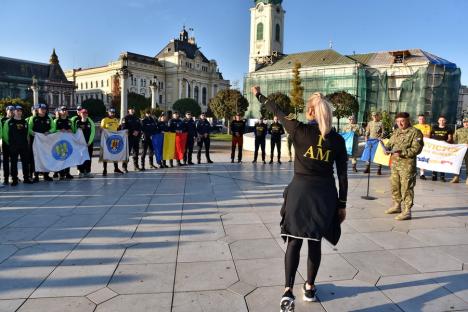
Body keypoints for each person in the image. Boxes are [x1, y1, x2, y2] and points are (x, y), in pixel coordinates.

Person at [252, 86, 347, 311]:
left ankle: (287, 291)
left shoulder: (298, 130)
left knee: (294, 241)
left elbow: (278, 111)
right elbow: (342, 176)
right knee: (314, 242)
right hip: (324, 195)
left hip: (299, 193)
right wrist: (341, 204)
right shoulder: (338, 140)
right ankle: (310, 287)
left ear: (311, 112)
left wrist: (258, 94)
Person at [384, 112, 424, 220]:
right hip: (395, 164)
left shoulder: (415, 132)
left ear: (408, 120)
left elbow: (417, 149)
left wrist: (402, 153)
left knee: (406, 188)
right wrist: (386, 149)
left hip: (407, 165)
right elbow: (390, 144)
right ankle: (397, 206)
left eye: (402, 121)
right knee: (395, 186)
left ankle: (407, 211)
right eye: (397, 121)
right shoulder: (396, 131)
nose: (400, 123)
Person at [3, 106, 33, 186]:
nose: (19, 112)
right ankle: (14, 179)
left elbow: (27, 134)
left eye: (20, 111)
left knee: (25, 163)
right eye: (17, 110)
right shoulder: (9, 122)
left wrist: (27, 143)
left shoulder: (25, 122)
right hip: (13, 146)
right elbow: (5, 134)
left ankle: (26, 178)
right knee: (13, 163)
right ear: (14, 112)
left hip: (24, 146)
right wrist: (10, 144)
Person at [28, 103, 54, 182]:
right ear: (38, 110)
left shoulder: (49, 118)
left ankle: (46, 175)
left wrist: (49, 132)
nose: (43, 110)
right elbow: (29, 128)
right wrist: (33, 133)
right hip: (36, 141)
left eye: (44, 109)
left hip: (46, 142)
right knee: (36, 158)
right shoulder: (33, 118)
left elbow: (53, 127)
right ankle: (36, 175)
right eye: (41, 109)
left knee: (46, 157)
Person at [52, 106, 74, 180]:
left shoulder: (69, 121)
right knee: (60, 157)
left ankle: (67, 173)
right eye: (63, 110)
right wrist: (60, 131)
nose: (64, 111)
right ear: (60, 112)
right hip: (58, 142)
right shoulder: (56, 121)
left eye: (65, 110)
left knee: (67, 157)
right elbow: (53, 130)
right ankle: (60, 173)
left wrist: (70, 131)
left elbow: (73, 131)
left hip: (67, 142)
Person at [100, 108, 124, 176]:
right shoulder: (104, 120)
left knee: (115, 153)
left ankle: (116, 168)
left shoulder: (116, 120)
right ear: (108, 113)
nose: (113, 114)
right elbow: (101, 129)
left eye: (113, 113)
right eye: (111, 112)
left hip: (114, 139)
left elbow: (118, 129)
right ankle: (105, 169)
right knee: (106, 154)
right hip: (107, 140)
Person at [73, 109, 95, 178]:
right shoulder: (77, 122)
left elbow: (93, 132)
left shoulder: (90, 122)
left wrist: (89, 142)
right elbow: (74, 132)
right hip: (80, 144)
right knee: (80, 157)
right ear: (80, 114)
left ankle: (87, 171)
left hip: (88, 143)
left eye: (85, 113)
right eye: (83, 113)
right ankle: (81, 171)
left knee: (88, 158)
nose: (84, 114)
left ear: (87, 114)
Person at [430, 116, 453, 182]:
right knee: (435, 161)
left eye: (443, 120)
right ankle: (434, 175)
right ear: (438, 121)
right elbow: (430, 136)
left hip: (443, 148)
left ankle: (442, 176)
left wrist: (446, 142)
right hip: (435, 148)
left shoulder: (448, 129)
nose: (442, 121)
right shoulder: (434, 127)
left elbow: (450, 138)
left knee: (442, 161)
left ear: (445, 121)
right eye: (440, 120)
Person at [121, 106, 142, 172]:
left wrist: (137, 131)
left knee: (136, 152)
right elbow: (123, 127)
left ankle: (136, 166)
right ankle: (124, 167)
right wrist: (132, 131)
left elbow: (140, 126)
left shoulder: (137, 118)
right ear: (128, 110)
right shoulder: (125, 118)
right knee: (127, 152)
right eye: (131, 109)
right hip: (129, 137)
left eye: (133, 109)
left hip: (136, 137)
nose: (132, 110)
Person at [413, 114, 432, 180]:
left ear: (424, 119)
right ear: (418, 119)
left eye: (423, 119)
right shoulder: (415, 126)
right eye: (420, 119)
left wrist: (420, 135)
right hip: (416, 145)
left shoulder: (428, 126)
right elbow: (414, 136)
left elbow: (428, 136)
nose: (421, 120)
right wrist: (423, 135)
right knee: (415, 159)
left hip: (425, 145)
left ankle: (422, 174)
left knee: (422, 158)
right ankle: (414, 172)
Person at [450, 117, 468, 184]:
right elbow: (454, 140)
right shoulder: (458, 130)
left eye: (467, 122)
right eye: (465, 122)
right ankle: (456, 177)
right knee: (458, 164)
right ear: (463, 123)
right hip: (460, 150)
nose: (466, 123)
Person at [1, 106, 15, 185]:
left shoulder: (16, 119)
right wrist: (7, 141)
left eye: (13, 110)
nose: (11, 112)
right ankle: (6, 178)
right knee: (5, 162)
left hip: (14, 144)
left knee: (14, 162)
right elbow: (2, 132)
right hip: (5, 144)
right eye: (10, 110)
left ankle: (14, 177)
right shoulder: (2, 120)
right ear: (6, 111)